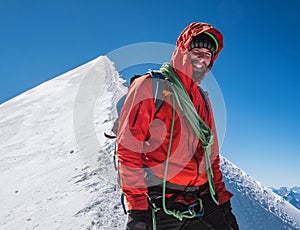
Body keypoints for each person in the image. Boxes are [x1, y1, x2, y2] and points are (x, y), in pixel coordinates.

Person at [116, 22, 239, 230]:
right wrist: (138, 209)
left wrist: (223, 204)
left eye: (208, 55)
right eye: (196, 50)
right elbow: (128, 150)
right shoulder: (149, 86)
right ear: (183, 51)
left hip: (199, 198)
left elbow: (211, 158)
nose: (202, 58)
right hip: (160, 202)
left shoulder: (202, 99)